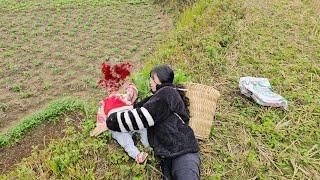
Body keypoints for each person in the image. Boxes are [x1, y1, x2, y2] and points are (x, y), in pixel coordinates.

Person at [105, 65, 200, 180]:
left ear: (161, 79)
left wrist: (110, 121)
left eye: (152, 78)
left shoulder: (167, 93)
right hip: (168, 156)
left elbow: (141, 117)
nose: (150, 82)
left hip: (182, 153)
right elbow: (137, 109)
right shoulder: (157, 97)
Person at [90, 82, 149, 163]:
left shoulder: (123, 96)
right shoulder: (104, 102)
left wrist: (128, 85)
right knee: (125, 139)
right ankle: (137, 155)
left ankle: (147, 146)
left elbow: (133, 92)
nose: (111, 90)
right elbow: (101, 118)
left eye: (114, 87)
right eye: (109, 88)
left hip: (129, 119)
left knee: (143, 127)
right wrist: (99, 126)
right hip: (116, 125)